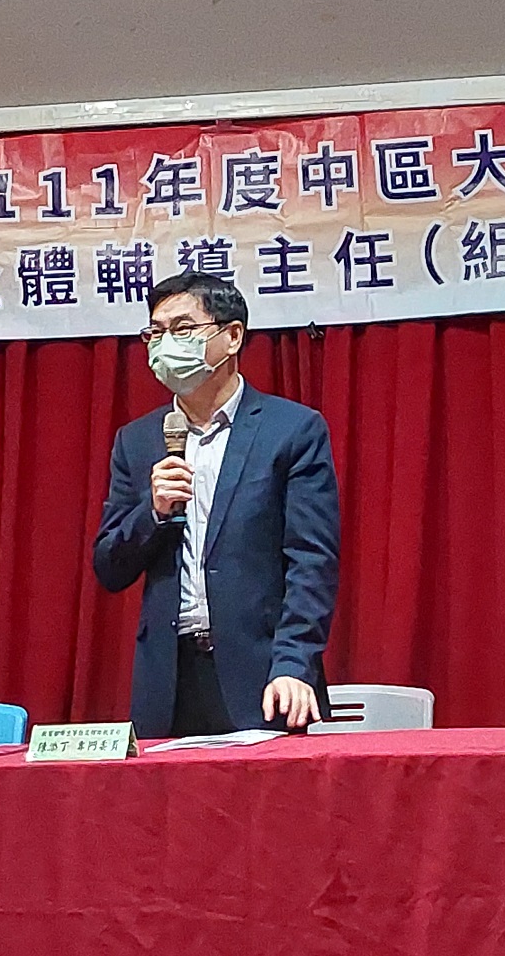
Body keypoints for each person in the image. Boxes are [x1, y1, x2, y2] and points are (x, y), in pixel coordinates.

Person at [93, 272, 339, 737]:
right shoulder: (138, 440)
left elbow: (312, 561)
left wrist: (294, 662)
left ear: (232, 336)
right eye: (155, 333)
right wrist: (153, 511)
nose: (165, 344)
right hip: (168, 681)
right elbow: (109, 567)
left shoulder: (292, 430)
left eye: (182, 329)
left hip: (264, 675)